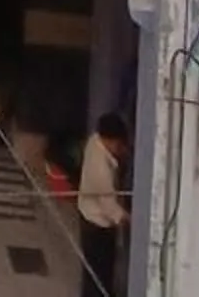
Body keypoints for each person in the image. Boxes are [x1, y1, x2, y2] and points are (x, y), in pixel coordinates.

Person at [77, 110, 130, 293]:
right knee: (100, 275)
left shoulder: (95, 140)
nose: (120, 147)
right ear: (109, 140)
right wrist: (130, 219)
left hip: (86, 215)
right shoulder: (102, 171)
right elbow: (111, 209)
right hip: (97, 227)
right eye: (118, 143)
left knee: (92, 273)